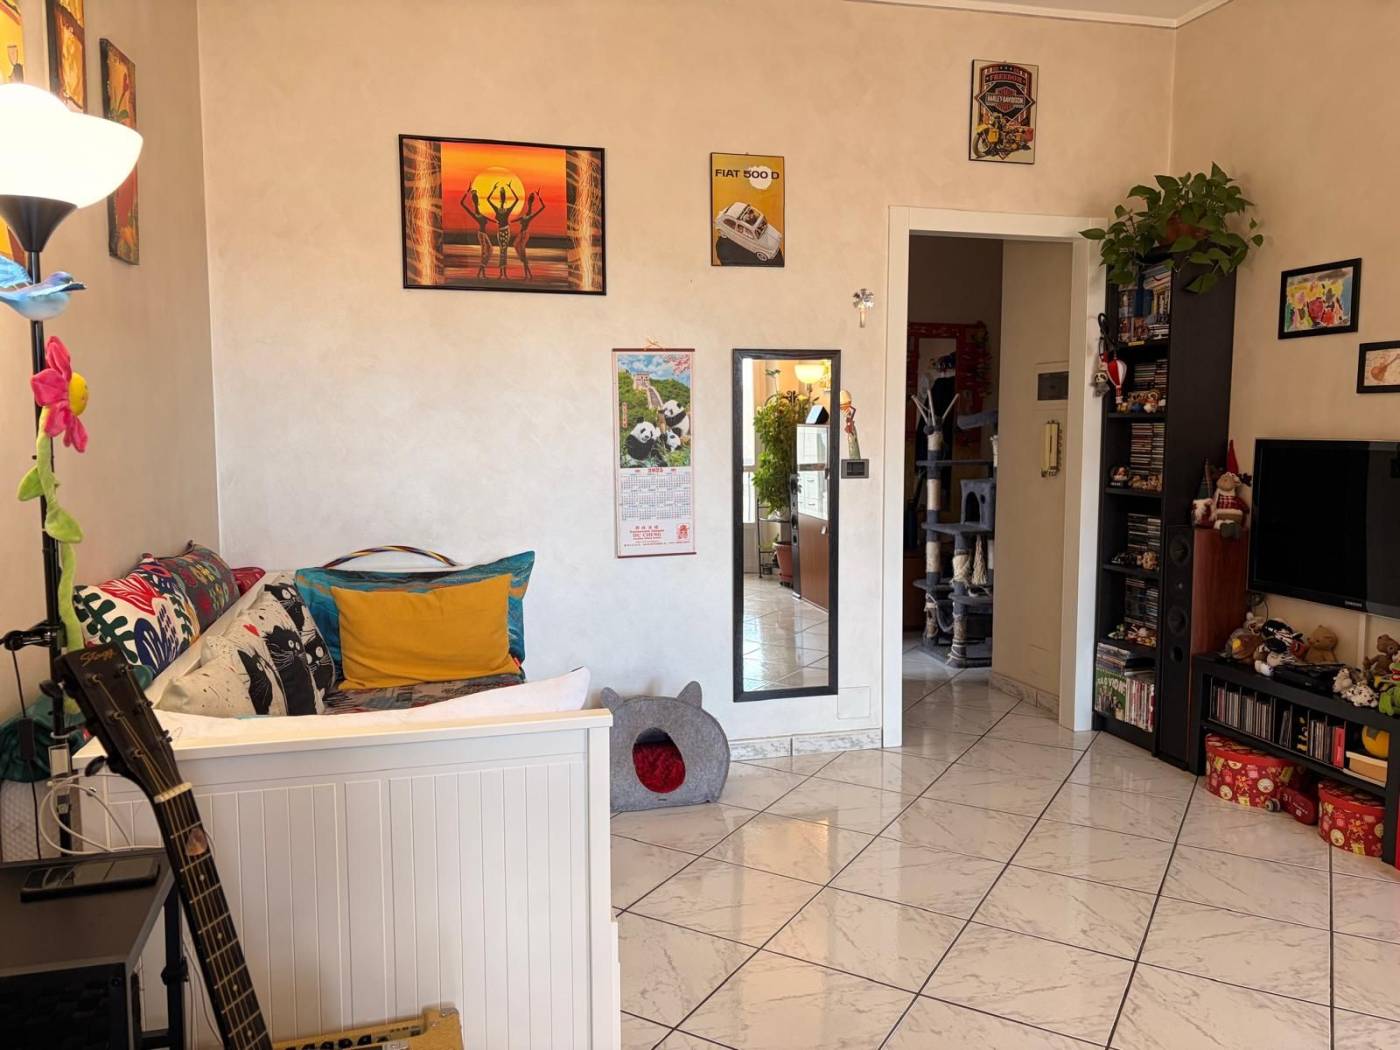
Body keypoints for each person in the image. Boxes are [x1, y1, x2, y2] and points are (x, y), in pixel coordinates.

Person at [459, 187, 494, 278]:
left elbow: (487, 218)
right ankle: (481, 274)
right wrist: (467, 192)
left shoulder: (480, 214)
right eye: (475, 200)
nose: (476, 202)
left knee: (490, 250)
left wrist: (495, 221)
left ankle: (480, 272)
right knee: (484, 252)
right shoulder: (475, 214)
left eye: (477, 200)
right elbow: (462, 203)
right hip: (481, 234)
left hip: (484, 234)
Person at [512, 191, 546, 280]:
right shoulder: (525, 215)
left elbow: (543, 207)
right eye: (529, 202)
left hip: (525, 234)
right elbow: (518, 219)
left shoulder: (530, 216)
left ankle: (527, 274)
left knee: (522, 252)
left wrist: (539, 197)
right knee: (515, 245)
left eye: (530, 203)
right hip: (521, 233)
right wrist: (511, 221)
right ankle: (527, 270)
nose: (529, 205)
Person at [487, 182, 518, 279]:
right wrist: (493, 189)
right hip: (501, 231)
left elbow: (516, 200)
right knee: (502, 250)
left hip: (505, 231)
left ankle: (503, 273)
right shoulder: (501, 209)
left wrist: (510, 188)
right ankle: (502, 273)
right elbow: (488, 199)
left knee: (503, 250)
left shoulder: (503, 210)